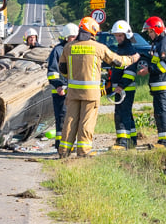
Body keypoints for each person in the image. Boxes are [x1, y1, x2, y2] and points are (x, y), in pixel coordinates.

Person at [58, 17, 139, 158]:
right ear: (92, 31)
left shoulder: (68, 47)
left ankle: (64, 151)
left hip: (73, 92)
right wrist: (132, 59)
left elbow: (63, 70)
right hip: (90, 94)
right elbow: (117, 61)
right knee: (86, 121)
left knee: (70, 120)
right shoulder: (98, 48)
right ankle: (83, 151)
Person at [138, 16, 166, 148]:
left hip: (163, 84)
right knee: (160, 112)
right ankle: (164, 140)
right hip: (159, 85)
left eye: (150, 32)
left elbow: (165, 64)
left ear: (157, 30)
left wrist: (149, 70)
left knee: (163, 112)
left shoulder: (164, 43)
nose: (149, 35)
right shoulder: (160, 42)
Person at [108, 20, 140, 150]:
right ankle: (132, 140)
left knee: (121, 114)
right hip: (122, 88)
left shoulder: (128, 50)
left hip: (125, 88)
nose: (118, 38)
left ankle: (123, 142)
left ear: (126, 35)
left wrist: (121, 86)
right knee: (126, 113)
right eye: (116, 35)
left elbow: (130, 72)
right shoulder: (120, 49)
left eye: (120, 35)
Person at [47, 23, 78, 150]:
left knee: (73, 118)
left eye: (75, 36)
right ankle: (61, 145)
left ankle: (70, 144)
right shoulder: (57, 51)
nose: (74, 39)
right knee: (62, 118)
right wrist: (59, 85)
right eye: (72, 37)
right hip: (61, 91)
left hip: (74, 91)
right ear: (66, 37)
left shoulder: (76, 49)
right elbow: (52, 72)